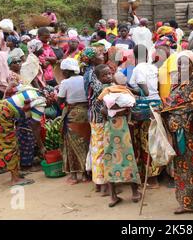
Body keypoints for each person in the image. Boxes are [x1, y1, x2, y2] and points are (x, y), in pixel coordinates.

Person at [161, 51, 193, 214]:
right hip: (180, 130)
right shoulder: (177, 82)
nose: (181, 67)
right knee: (182, 167)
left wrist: (171, 110)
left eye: (185, 64)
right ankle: (186, 201)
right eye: (178, 64)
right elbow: (172, 103)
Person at [0, 87, 48, 186]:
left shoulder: (33, 91)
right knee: (9, 145)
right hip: (1, 115)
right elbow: (35, 128)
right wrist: (41, 146)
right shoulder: (40, 105)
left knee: (5, 143)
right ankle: (15, 179)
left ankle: (15, 172)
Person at [98, 72, 141, 207]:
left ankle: (113, 196)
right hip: (124, 128)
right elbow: (131, 109)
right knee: (129, 157)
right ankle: (134, 192)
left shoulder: (106, 93)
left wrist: (111, 111)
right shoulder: (124, 93)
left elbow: (103, 112)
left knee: (109, 158)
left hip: (110, 128)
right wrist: (121, 111)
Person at [128, 45, 162, 188]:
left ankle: (152, 179)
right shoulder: (153, 68)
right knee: (155, 141)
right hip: (157, 106)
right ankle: (155, 176)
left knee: (145, 143)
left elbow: (145, 91)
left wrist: (125, 87)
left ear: (134, 56)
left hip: (145, 109)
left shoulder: (138, 69)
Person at [58, 58, 91, 185]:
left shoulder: (65, 82)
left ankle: (75, 175)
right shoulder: (84, 78)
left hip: (72, 115)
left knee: (72, 145)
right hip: (86, 113)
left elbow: (60, 101)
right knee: (86, 142)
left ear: (66, 71)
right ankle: (85, 174)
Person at [88, 64, 112, 194]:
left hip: (95, 120)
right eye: (105, 75)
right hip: (99, 121)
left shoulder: (100, 86)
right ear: (98, 77)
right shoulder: (104, 88)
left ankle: (98, 183)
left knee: (97, 150)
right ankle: (104, 185)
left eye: (109, 73)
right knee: (102, 151)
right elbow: (104, 110)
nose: (109, 76)